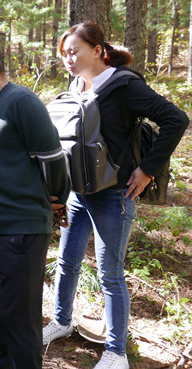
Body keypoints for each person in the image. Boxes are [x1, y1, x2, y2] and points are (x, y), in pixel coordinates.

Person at [43, 21, 189, 369]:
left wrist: (148, 169)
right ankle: (62, 322)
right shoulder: (75, 85)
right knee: (66, 262)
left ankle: (116, 352)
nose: (69, 59)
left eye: (75, 51)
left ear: (98, 50)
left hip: (114, 194)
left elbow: (176, 119)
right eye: (64, 54)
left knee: (110, 272)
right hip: (78, 190)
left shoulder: (124, 86)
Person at [0, 37, 71, 368]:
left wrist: (55, 201)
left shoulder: (22, 101)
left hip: (22, 229)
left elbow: (52, 158)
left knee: (21, 318)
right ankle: (0, 362)